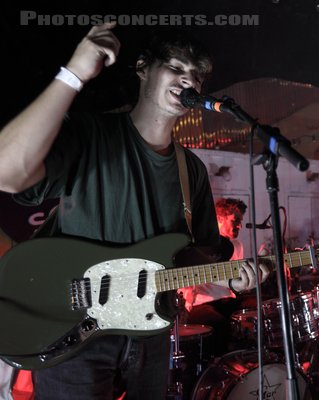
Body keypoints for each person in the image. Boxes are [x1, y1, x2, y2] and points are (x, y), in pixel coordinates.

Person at [0, 24, 268, 399]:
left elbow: (199, 253)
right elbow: (6, 171)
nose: (188, 80)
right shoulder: (92, 135)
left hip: (150, 336)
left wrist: (230, 279)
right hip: (76, 330)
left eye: (197, 76)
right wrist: (73, 74)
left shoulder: (190, 170)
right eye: (176, 67)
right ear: (143, 68)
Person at [180, 198, 250, 354]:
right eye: (235, 220)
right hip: (202, 304)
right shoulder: (201, 245)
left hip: (229, 300)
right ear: (219, 218)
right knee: (218, 325)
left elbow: (239, 281)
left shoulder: (237, 245)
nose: (239, 225)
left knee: (257, 312)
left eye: (241, 220)